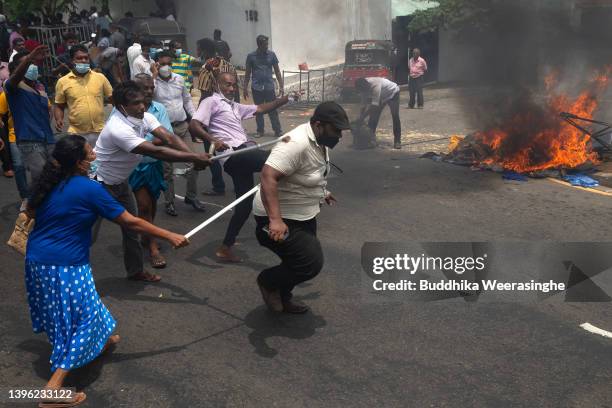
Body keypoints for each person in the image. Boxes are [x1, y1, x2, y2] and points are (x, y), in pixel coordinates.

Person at [25, 134, 189, 407]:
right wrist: (169, 235)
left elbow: (30, 212)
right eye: (90, 154)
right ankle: (53, 388)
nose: (95, 156)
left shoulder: (50, 182)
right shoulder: (89, 189)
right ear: (78, 163)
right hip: (66, 267)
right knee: (83, 320)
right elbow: (130, 222)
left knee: (78, 310)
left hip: (37, 261)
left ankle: (100, 341)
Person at [94, 80, 210, 282]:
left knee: (132, 230)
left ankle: (135, 271)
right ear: (122, 107)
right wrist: (194, 158)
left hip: (120, 184)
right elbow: (156, 151)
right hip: (98, 185)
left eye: (142, 101)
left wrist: (192, 156)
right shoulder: (117, 128)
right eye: (136, 103)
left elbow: (169, 138)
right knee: (86, 234)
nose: (141, 106)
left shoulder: (144, 117)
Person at [253, 101, 349, 313]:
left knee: (295, 261)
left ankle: (284, 296)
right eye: (336, 130)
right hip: (279, 216)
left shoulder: (319, 141)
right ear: (318, 124)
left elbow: (309, 173)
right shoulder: (297, 142)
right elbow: (268, 176)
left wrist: (322, 193)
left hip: (303, 213)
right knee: (310, 263)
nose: (339, 136)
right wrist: (275, 220)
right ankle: (267, 281)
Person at [189, 71, 293, 262]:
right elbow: (194, 125)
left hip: (243, 155)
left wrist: (284, 99)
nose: (230, 88)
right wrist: (213, 139)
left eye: (233, 85)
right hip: (234, 156)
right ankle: (277, 219)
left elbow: (261, 108)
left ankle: (225, 247)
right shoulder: (210, 101)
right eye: (227, 84)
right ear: (217, 85)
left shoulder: (234, 106)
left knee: (244, 206)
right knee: (276, 161)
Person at [152, 50, 205, 215]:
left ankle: (191, 196)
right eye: (162, 64)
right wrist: (153, 76)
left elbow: (187, 100)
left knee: (193, 162)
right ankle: (169, 202)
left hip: (182, 126)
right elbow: (147, 97)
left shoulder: (179, 79)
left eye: (169, 63)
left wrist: (195, 118)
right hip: (164, 130)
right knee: (167, 169)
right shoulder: (152, 82)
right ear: (156, 64)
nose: (166, 67)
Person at [129, 73, 173, 268]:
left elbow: (167, 135)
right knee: (144, 205)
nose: (148, 91)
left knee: (152, 204)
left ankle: (147, 234)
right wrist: (149, 140)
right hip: (135, 166)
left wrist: (141, 142)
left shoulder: (159, 108)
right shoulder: (125, 110)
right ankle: (153, 246)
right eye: (144, 88)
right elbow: (126, 139)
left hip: (154, 163)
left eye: (151, 88)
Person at [5, 46, 55, 192]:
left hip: (48, 138)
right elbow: (15, 78)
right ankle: (33, 208)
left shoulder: (40, 88)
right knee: (40, 178)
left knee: (53, 176)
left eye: (33, 63)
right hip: (30, 140)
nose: (31, 66)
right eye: (28, 63)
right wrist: (29, 58)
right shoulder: (13, 86)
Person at [194, 37, 236, 196]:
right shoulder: (228, 65)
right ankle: (239, 178)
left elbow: (205, 95)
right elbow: (234, 91)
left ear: (203, 50)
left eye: (198, 48)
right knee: (231, 147)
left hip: (212, 115)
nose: (197, 52)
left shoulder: (205, 68)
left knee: (210, 151)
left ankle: (218, 186)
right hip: (228, 111)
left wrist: (199, 119)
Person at [54, 44, 113, 147]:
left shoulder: (100, 77)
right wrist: (59, 119)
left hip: (100, 131)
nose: (84, 60)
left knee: (100, 162)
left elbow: (113, 98)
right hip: (77, 133)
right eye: (79, 58)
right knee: (81, 161)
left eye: (86, 58)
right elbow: (59, 105)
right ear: (72, 61)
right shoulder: (63, 82)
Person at [244, 35, 284, 138]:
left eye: (267, 44)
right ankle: (260, 131)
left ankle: (277, 130)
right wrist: (244, 88)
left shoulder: (272, 55)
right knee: (258, 110)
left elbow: (277, 71)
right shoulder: (251, 56)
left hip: (269, 87)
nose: (267, 46)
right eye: (265, 44)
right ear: (259, 45)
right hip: (256, 88)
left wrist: (281, 85)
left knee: (273, 110)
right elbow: (247, 73)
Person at [354, 77, 402, 149]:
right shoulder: (363, 87)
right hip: (381, 96)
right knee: (373, 117)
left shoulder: (375, 85)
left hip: (392, 93)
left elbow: (374, 106)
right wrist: (361, 117)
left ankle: (397, 141)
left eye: (365, 91)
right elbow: (363, 104)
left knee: (395, 115)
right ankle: (370, 140)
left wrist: (363, 117)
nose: (364, 92)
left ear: (367, 87)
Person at [0, 91, 28, 208]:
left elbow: (47, 109)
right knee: (19, 166)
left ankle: (42, 196)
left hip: (37, 135)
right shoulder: (6, 93)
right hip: (15, 134)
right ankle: (25, 197)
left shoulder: (37, 88)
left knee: (41, 168)